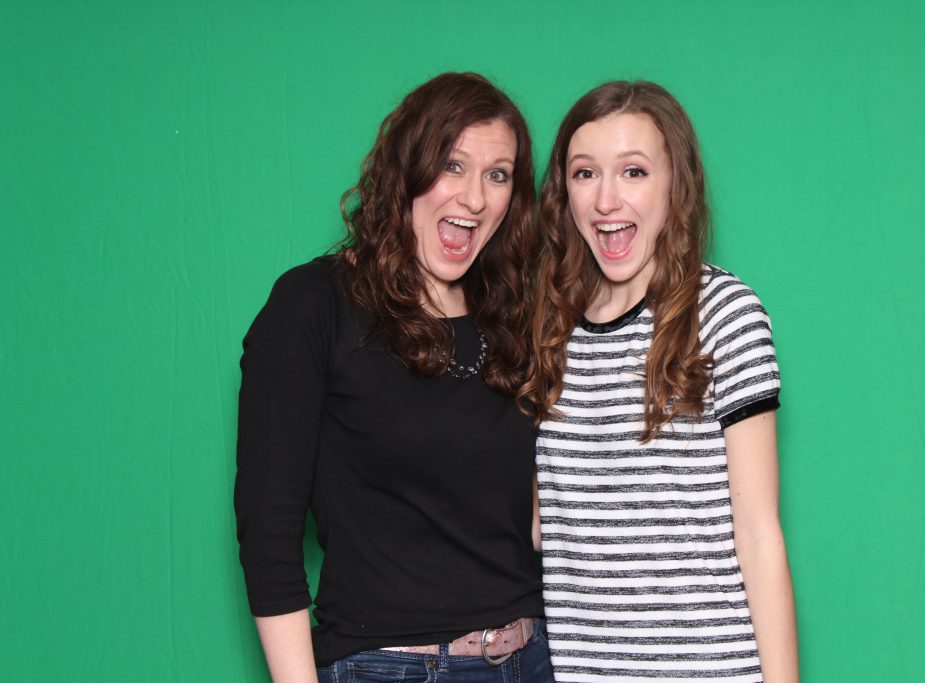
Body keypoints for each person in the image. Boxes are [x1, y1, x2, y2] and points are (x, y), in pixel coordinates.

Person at [235, 72, 554, 683]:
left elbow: (539, 515)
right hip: (388, 667)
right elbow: (268, 534)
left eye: (498, 175)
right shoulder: (315, 304)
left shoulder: (513, 317)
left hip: (533, 659)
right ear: (406, 168)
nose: (475, 199)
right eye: (453, 166)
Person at [521, 81, 799, 683]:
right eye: (585, 173)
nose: (606, 199)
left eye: (635, 171)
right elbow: (548, 530)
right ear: (563, 192)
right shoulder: (547, 332)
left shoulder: (723, 312)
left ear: (675, 184)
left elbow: (759, 535)